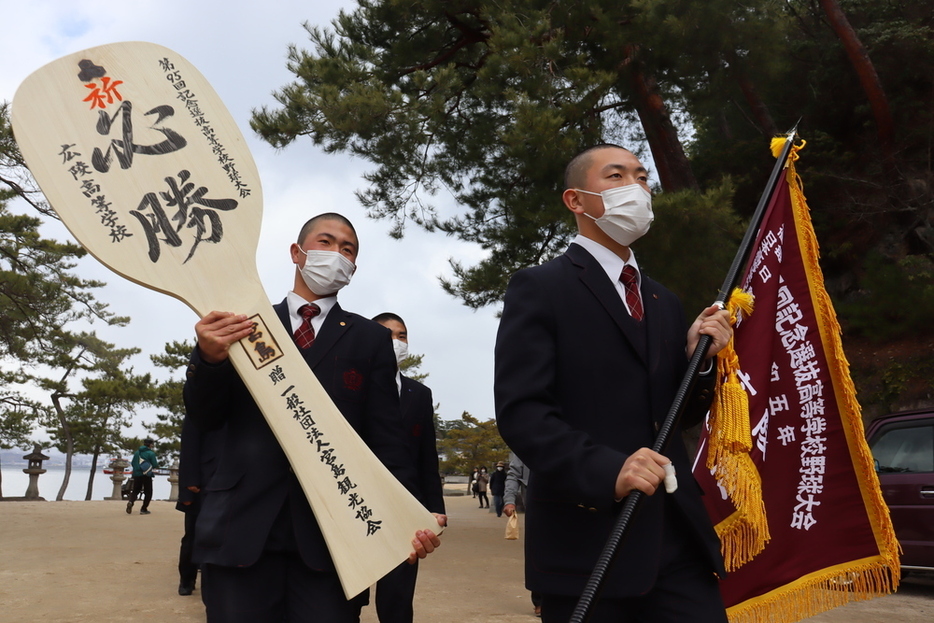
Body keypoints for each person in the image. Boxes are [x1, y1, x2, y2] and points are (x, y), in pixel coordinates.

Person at [494, 144, 733, 623]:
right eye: (617, 176)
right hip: (585, 544)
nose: (637, 188)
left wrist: (698, 362)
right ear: (576, 200)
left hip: (675, 537)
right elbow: (524, 413)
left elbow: (673, 416)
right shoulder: (540, 287)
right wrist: (609, 471)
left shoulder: (664, 300)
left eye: (642, 178)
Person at [183, 213, 443, 622]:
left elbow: (387, 441)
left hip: (333, 541)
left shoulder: (369, 339)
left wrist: (409, 514)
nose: (337, 254)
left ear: (353, 269)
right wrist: (208, 359)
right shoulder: (245, 324)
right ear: (297, 252)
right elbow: (205, 416)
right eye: (326, 242)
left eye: (348, 249)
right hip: (241, 526)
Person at [363, 312, 446, 623]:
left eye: (402, 335)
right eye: (388, 335)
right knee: (345, 597)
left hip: (404, 509)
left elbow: (427, 456)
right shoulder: (351, 385)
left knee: (397, 597)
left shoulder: (419, 394)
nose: (397, 341)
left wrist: (435, 507)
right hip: (356, 501)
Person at [175, 415, 222, 596]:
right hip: (199, 484)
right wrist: (187, 488)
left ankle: (214, 585)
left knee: (220, 536)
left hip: (227, 479)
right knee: (193, 536)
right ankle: (186, 579)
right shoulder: (200, 407)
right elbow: (189, 447)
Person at [502, 452, 543, 617]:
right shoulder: (528, 442)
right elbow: (513, 475)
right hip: (536, 504)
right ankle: (540, 600)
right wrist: (509, 500)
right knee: (537, 552)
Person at [126, 438, 158, 515]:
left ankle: (131, 501)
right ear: (150, 445)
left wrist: (137, 470)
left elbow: (133, 463)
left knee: (135, 490)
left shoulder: (137, 453)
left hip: (136, 474)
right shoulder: (151, 453)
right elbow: (155, 464)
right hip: (146, 474)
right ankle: (144, 509)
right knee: (148, 492)